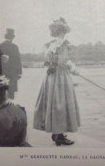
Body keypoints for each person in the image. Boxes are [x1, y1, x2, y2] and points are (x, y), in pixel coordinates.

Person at [33, 17, 80, 146]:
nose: (63, 33)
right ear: (59, 31)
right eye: (61, 31)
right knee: (59, 104)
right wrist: (72, 68)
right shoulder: (60, 45)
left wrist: (72, 68)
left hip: (54, 78)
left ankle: (57, 134)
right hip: (58, 78)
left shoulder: (52, 45)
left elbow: (64, 61)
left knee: (57, 104)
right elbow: (62, 61)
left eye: (63, 31)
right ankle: (58, 135)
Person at [0, 29, 22, 99]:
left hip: (2, 73)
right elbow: (18, 61)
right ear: (12, 37)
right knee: (11, 95)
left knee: (1, 93)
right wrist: (19, 73)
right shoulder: (15, 47)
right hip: (12, 74)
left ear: (5, 37)